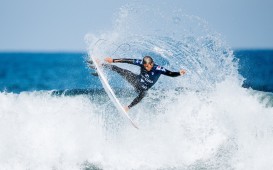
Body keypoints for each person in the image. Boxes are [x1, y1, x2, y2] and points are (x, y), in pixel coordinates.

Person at [101, 56, 186, 112]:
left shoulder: (158, 69)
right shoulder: (142, 63)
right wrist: (113, 60)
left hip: (143, 88)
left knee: (143, 94)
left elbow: (170, 73)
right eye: (144, 66)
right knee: (122, 71)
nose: (146, 68)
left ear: (152, 64)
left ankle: (127, 107)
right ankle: (101, 65)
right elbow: (127, 60)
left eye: (147, 66)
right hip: (136, 80)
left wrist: (179, 73)